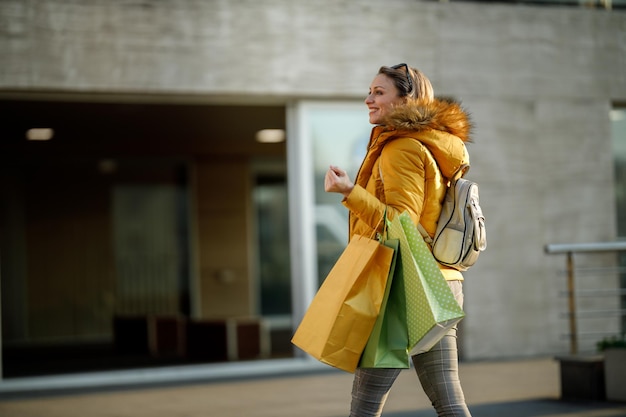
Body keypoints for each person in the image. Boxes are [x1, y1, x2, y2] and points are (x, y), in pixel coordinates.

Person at [324, 63, 473, 417]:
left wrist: (349, 191)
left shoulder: (402, 148)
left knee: (365, 404)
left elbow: (400, 222)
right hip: (439, 283)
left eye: (379, 92)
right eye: (370, 91)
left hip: (403, 287)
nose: (368, 100)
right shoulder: (431, 146)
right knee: (448, 398)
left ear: (407, 99)